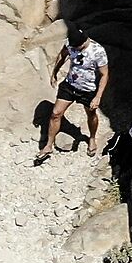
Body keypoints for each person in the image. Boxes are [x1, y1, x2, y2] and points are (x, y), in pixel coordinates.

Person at [38, 27, 109, 163]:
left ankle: (92, 138)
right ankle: (48, 145)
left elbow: (105, 74)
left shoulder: (98, 51)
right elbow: (63, 55)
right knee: (56, 113)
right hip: (70, 85)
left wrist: (98, 96)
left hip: (88, 89)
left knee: (91, 114)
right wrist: (55, 72)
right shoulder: (70, 43)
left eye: (77, 47)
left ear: (84, 42)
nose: (74, 49)